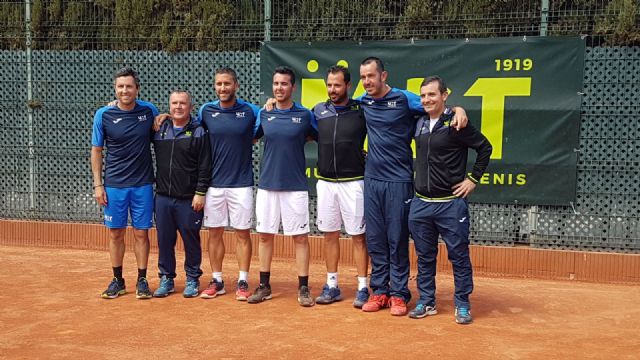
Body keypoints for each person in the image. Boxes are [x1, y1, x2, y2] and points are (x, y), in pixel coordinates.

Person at [357, 57, 468, 316]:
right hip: (372, 180)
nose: (367, 82)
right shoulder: (363, 101)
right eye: (363, 77)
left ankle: (398, 294)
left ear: (383, 76)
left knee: (396, 238)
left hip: (399, 180)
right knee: (375, 239)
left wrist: (459, 110)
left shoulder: (405, 99)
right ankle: (380, 291)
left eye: (371, 76)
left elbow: (437, 107)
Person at [407, 76, 491, 324]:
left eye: (432, 95)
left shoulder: (457, 123)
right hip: (421, 203)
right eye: (423, 95)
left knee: (459, 255)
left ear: (444, 95)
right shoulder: (419, 122)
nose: (426, 100)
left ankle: (463, 304)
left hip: (450, 205)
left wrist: (473, 179)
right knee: (424, 256)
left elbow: (485, 148)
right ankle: (426, 301)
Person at [247, 66, 318, 307]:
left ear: (293, 87)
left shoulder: (305, 115)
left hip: (296, 186)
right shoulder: (264, 114)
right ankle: (264, 285)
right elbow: (253, 137)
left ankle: (304, 288)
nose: (279, 88)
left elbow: (317, 136)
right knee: (265, 237)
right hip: (267, 185)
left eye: (284, 84)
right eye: (276, 84)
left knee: (300, 238)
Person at [91, 67, 159, 299]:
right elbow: (97, 150)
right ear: (115, 89)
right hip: (114, 185)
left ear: (137, 89)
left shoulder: (149, 111)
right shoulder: (103, 115)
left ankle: (142, 280)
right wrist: (98, 185)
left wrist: (165, 116)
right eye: (120, 86)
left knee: (142, 234)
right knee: (116, 234)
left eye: (129, 86)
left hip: (142, 185)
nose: (124, 90)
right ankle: (117, 280)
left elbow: (161, 124)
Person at [197, 67, 261, 301]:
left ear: (236, 86)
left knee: (243, 233)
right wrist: (162, 117)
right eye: (219, 84)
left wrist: (273, 103)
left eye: (227, 84)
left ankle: (243, 280)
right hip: (213, 185)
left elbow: (267, 120)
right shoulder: (206, 111)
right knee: (214, 234)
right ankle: (218, 280)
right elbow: (186, 125)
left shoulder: (251, 111)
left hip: (242, 184)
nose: (222, 88)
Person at [310, 66, 370, 308]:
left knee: (358, 237)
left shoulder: (361, 110)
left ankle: (363, 287)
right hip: (325, 183)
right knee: (330, 235)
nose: (332, 90)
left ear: (348, 86)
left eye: (337, 85)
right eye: (329, 85)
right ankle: (332, 285)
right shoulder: (318, 111)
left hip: (354, 182)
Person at [152, 90, 211, 298]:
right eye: (174, 103)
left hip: (189, 198)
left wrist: (200, 192)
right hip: (162, 198)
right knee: (164, 240)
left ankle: (192, 279)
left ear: (191, 107)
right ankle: (166, 278)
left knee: (191, 239)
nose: (178, 107)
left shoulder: (198, 131)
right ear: (169, 106)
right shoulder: (158, 129)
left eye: (183, 103)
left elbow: (205, 165)